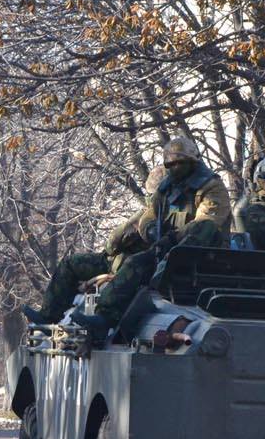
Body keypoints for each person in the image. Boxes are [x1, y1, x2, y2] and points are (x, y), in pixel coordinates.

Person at [24, 135, 231, 337]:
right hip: (163, 250)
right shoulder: (167, 187)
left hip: (197, 255)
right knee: (118, 263)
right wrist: (150, 229)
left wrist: (172, 239)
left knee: (135, 264)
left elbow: (206, 224)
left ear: (192, 161)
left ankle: (104, 319)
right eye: (170, 164)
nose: (174, 167)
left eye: (180, 163)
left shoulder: (211, 187)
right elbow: (147, 215)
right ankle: (54, 317)